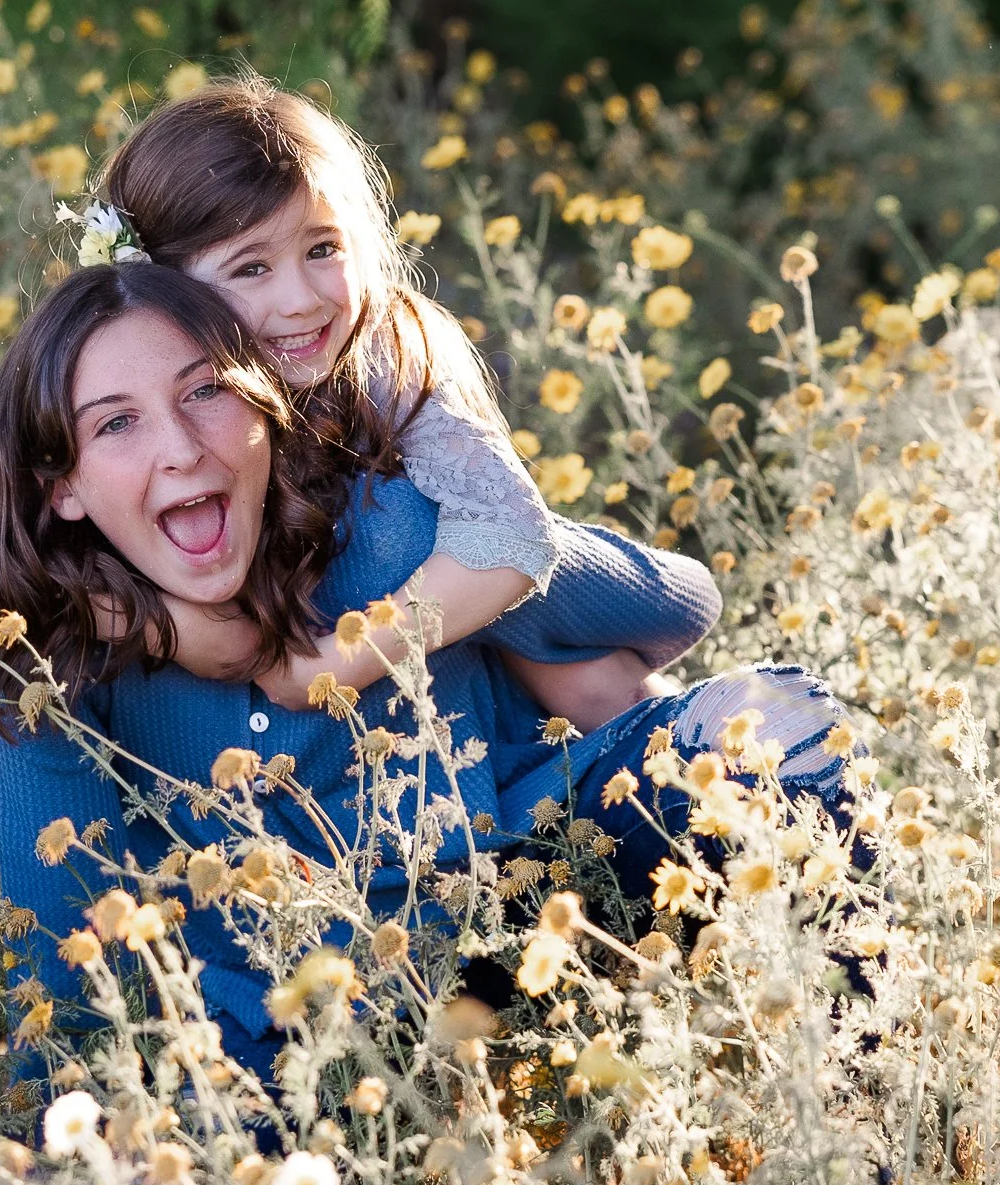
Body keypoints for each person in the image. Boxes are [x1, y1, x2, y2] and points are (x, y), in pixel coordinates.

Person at [0, 263, 860, 1083]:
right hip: (290, 1043)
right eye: (117, 423)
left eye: (206, 391)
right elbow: (63, 977)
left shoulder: (381, 530)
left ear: (263, 403)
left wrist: (481, 562)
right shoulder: (54, 672)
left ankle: (877, 1082)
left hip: (512, 915)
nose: (178, 447)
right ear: (65, 486)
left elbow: (674, 603)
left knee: (782, 717)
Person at [90, 73, 654, 730]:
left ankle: (681, 755)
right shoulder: (114, 385)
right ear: (157, 286)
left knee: (581, 675)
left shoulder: (384, 349)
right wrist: (178, 628)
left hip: (522, 649)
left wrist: (324, 669)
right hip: (381, 733)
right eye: (251, 267)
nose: (301, 298)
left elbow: (512, 532)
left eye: (323, 248)